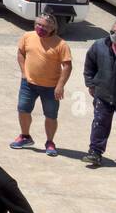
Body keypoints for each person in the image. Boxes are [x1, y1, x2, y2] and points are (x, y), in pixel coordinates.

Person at [11, 12, 72, 156]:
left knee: (51, 115)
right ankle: (25, 136)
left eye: (44, 26)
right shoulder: (28, 36)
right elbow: (20, 53)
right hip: (28, 84)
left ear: (52, 28)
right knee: (23, 110)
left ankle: (50, 142)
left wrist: (60, 85)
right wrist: (24, 72)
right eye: (38, 24)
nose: (40, 28)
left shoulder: (61, 44)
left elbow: (67, 66)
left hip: (50, 87)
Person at [83, 17, 116, 168]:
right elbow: (89, 65)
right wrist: (91, 84)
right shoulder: (99, 46)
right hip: (103, 94)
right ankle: (95, 153)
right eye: (112, 32)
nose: (115, 35)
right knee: (100, 124)